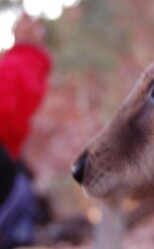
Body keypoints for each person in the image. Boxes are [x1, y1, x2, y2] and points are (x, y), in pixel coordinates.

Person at [0, 14, 51, 249]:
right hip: (6, 145)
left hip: (7, 145)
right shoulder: (21, 64)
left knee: (22, 185)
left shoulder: (20, 64)